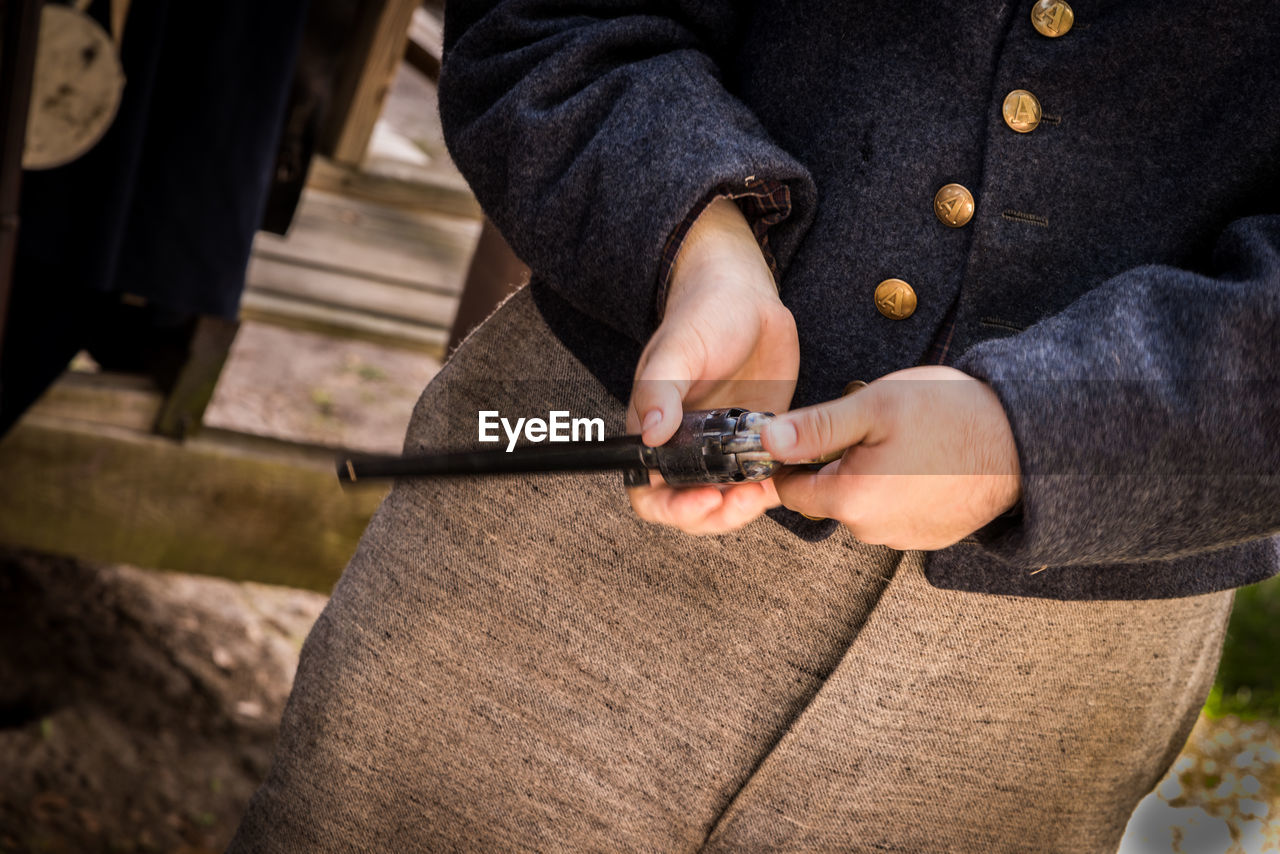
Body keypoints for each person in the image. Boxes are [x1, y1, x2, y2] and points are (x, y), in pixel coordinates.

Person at [232, 2, 1280, 850]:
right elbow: (542, 18)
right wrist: (701, 241)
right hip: (547, 551)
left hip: (1054, 682)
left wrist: (1048, 430)